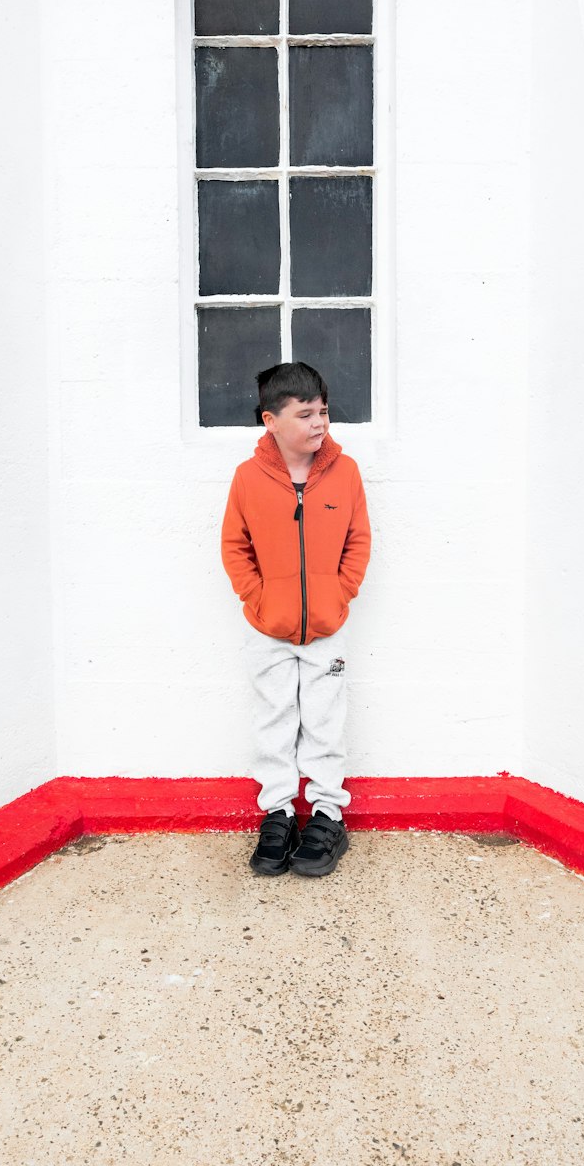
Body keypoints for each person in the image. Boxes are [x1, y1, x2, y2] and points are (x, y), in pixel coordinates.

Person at [221, 361, 371, 878]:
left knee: (326, 722)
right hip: (268, 629)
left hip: (327, 628)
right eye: (305, 414)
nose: (319, 423)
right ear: (271, 420)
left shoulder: (345, 473)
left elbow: (358, 541)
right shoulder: (248, 478)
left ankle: (328, 815)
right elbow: (235, 548)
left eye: (323, 411)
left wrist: (339, 594)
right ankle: (279, 814)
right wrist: (258, 601)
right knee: (274, 721)